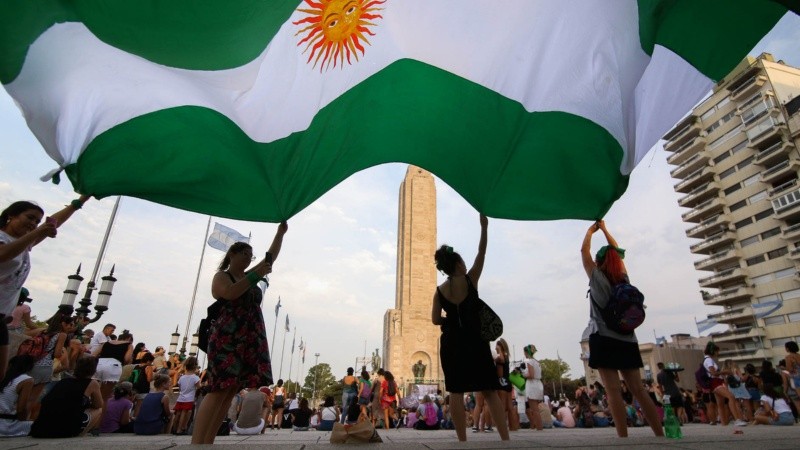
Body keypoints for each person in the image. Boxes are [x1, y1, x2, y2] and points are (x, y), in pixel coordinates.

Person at [191, 222, 287, 445]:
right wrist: (256, 276)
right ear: (232, 254)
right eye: (245, 254)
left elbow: (270, 258)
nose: (248, 258)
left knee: (230, 390)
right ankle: (197, 442)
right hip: (228, 337)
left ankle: (208, 441)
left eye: (251, 256)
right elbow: (230, 293)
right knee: (217, 389)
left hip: (248, 338)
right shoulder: (222, 276)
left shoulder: (250, 274)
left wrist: (280, 233)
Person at [580, 220, 664, 438]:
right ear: (617, 260)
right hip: (628, 340)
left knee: (613, 391)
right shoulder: (623, 278)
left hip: (604, 338)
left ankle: (623, 436)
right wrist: (605, 229)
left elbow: (583, 250)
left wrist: (591, 231)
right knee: (638, 390)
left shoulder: (596, 277)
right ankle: (659, 432)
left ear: (598, 262)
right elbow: (616, 250)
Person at [431, 213, 510, 442]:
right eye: (463, 262)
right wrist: (484, 227)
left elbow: (435, 320)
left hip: (452, 343)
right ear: (458, 264)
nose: (466, 265)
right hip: (474, 341)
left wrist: (451, 322)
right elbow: (481, 252)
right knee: (488, 390)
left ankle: (462, 441)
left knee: (456, 391)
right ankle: (505, 438)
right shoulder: (470, 279)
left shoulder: (440, 291)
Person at [0, 196, 90, 381]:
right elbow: (3, 254)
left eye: (37, 221)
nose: (33, 223)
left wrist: (79, 202)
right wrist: (38, 231)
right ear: (11, 215)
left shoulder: (24, 244)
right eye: (29, 218)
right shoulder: (4, 237)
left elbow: (54, 221)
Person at [30, 354, 103, 438]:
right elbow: (99, 405)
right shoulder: (92, 383)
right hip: (65, 430)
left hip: (41, 429)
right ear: (93, 370)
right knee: (98, 410)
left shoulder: (63, 381)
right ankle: (79, 435)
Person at [28, 312, 75, 420]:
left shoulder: (43, 331)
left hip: (32, 363)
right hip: (45, 366)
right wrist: (63, 353)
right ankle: (25, 420)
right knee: (34, 398)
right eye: (70, 324)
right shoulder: (62, 335)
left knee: (25, 393)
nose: (71, 327)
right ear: (63, 323)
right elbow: (57, 354)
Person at [0, 355, 35, 436]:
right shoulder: (26, 380)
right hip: (4, 425)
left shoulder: (3, 376)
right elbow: (21, 409)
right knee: (34, 425)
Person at [495, 338, 519, 431]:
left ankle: (503, 427)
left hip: (502, 382)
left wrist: (498, 350)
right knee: (510, 407)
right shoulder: (506, 356)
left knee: (502, 406)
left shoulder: (500, 357)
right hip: (507, 382)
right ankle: (513, 426)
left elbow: (500, 360)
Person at [174, 356, 200, 435]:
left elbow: (180, 387)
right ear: (195, 366)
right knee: (184, 413)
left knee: (178, 413)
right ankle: (180, 429)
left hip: (180, 397)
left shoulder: (182, 377)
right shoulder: (195, 378)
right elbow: (198, 387)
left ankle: (174, 428)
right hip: (189, 398)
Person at [522, 344, 544, 431]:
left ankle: (539, 427)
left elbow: (530, 375)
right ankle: (539, 426)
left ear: (526, 352)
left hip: (532, 384)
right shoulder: (537, 362)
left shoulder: (530, 361)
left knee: (534, 409)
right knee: (536, 408)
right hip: (538, 383)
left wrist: (523, 374)